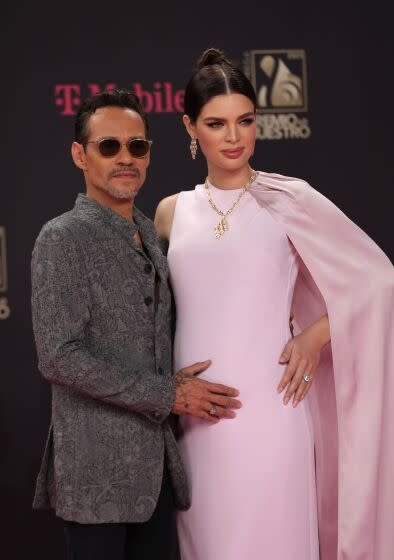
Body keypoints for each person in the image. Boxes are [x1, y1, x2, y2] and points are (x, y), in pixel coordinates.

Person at [154, 49, 394, 560]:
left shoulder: (290, 201)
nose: (234, 137)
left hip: (274, 411)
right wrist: (163, 386)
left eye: (245, 121)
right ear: (190, 127)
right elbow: (153, 319)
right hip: (198, 424)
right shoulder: (171, 212)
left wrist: (314, 335)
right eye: (217, 124)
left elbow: (378, 280)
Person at [31, 88, 241, 560]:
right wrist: (169, 394)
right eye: (109, 146)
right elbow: (59, 356)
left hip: (159, 473)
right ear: (79, 155)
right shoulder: (61, 238)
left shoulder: (150, 229)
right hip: (95, 477)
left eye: (137, 146)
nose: (125, 158)